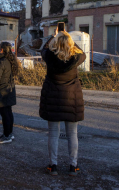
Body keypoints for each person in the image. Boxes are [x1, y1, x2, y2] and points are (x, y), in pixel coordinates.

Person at [39, 29, 86, 176]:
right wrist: (69, 39)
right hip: (71, 100)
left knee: (53, 133)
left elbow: (44, 49)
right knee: (72, 133)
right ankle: (73, 166)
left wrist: (53, 37)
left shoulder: (49, 57)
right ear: (71, 44)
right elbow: (82, 53)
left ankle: (53, 165)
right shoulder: (76, 58)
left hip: (53, 99)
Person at [0, 42, 18, 144]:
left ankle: (7, 135)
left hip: (3, 90)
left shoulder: (2, 61)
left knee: (4, 113)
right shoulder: (10, 60)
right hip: (10, 89)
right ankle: (9, 133)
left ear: (2, 50)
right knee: (8, 112)